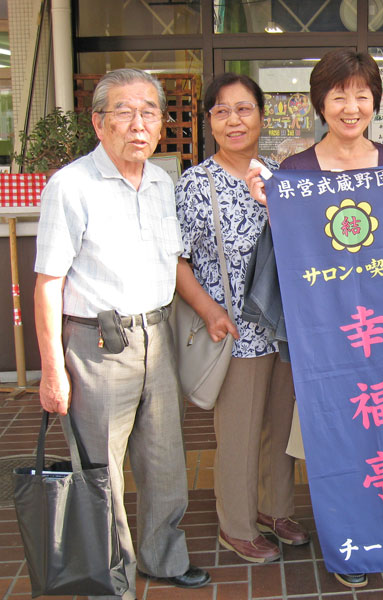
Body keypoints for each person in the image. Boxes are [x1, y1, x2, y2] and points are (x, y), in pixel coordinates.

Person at [248, 48, 383, 588]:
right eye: (338, 94)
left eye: (361, 94)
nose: (350, 106)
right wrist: (273, 204)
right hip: (327, 340)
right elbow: (293, 254)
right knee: (336, 438)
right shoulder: (295, 172)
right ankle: (350, 543)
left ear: (375, 102)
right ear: (321, 102)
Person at [33, 68, 210, 600]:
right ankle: (110, 577)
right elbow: (48, 283)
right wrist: (51, 371)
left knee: (163, 460)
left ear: (161, 124)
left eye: (149, 112)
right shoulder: (71, 185)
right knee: (99, 471)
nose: (139, 123)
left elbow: (174, 262)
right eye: (124, 112)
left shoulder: (161, 181)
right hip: (97, 344)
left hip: (156, 334)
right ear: (99, 122)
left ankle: (162, 557)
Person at [175, 73, 309, 565]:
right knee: (238, 432)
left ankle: (275, 509)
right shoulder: (195, 183)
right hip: (233, 331)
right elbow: (178, 259)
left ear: (261, 116)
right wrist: (208, 310)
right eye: (222, 111)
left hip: (284, 328)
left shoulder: (281, 176)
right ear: (209, 120)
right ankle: (236, 523)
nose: (234, 120)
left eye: (244, 109)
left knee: (280, 424)